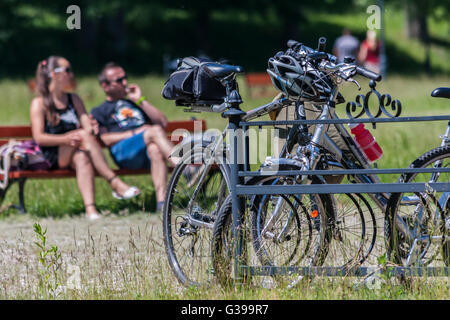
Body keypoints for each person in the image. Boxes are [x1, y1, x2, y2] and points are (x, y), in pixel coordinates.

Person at [30, 56, 141, 220]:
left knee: (82, 158)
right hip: (53, 154)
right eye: (67, 70)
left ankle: (91, 210)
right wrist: (66, 139)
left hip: (76, 148)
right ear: (54, 74)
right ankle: (115, 183)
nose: (71, 74)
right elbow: (39, 138)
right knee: (82, 135)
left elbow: (86, 125)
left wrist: (92, 128)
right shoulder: (39, 103)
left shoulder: (73, 99)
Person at [91, 62, 178, 212]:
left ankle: (162, 203)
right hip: (124, 153)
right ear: (105, 86)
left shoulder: (135, 104)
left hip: (146, 151)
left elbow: (162, 122)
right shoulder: (100, 110)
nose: (125, 82)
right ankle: (185, 168)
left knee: (155, 149)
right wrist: (136, 133)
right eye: (119, 80)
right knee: (154, 131)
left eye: (125, 78)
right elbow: (104, 139)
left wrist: (140, 100)